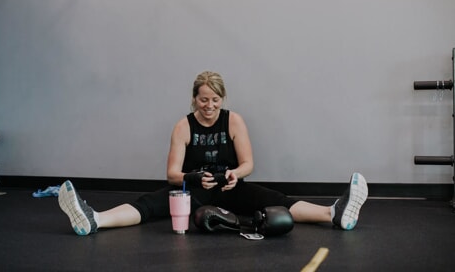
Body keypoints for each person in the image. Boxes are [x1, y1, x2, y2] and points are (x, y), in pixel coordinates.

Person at [58, 71, 368, 236]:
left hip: (231, 189)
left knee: (277, 199)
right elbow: (171, 174)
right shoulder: (183, 126)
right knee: (150, 204)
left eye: (215, 100)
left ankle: (334, 213)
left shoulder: (234, 120)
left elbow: (248, 164)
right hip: (193, 191)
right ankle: (94, 219)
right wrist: (192, 177)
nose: (209, 106)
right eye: (203, 100)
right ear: (194, 99)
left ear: (222, 99)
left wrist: (236, 174)